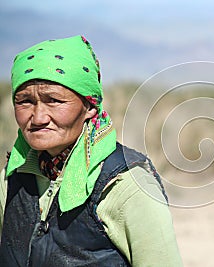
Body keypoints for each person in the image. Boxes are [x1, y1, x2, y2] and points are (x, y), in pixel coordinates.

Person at [0, 35, 183, 266]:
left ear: (89, 106)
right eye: (24, 101)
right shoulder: (12, 179)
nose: (38, 117)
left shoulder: (125, 185)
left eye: (54, 101)